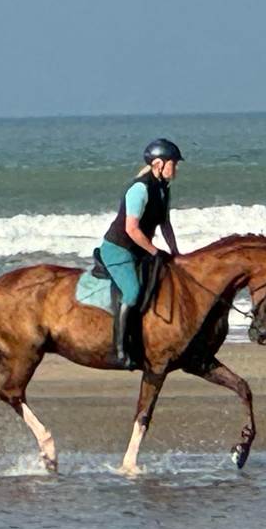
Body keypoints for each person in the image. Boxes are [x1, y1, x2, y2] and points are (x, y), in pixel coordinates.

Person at [99, 137, 184, 368]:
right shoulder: (140, 189)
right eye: (173, 163)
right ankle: (119, 349)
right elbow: (132, 229)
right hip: (119, 250)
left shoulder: (163, 189)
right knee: (133, 292)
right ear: (159, 164)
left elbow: (165, 223)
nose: (175, 168)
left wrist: (175, 252)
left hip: (140, 250)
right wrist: (155, 251)